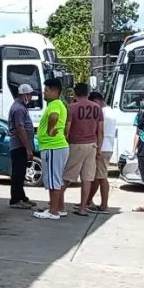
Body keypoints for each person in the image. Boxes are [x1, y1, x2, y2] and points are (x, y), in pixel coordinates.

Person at [62, 83, 104, 217]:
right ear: (87, 92)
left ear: (75, 93)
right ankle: (82, 207)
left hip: (76, 144)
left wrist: (66, 141)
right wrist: (99, 148)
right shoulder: (97, 108)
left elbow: (67, 128)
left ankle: (56, 202)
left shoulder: (71, 107)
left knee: (67, 175)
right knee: (87, 178)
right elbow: (101, 131)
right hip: (92, 144)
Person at [33, 78, 69, 220]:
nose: (44, 92)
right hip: (57, 146)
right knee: (57, 179)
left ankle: (53, 211)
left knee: (53, 180)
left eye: (46, 90)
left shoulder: (54, 104)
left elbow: (53, 117)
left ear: (55, 91)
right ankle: (59, 208)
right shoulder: (59, 104)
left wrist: (50, 128)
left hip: (53, 146)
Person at [81, 91, 117, 213]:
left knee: (102, 177)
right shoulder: (110, 112)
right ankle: (88, 201)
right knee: (97, 176)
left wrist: (98, 148)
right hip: (107, 146)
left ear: (97, 101)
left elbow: (99, 132)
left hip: (102, 147)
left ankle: (104, 205)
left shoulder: (103, 113)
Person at [8, 84, 37, 209]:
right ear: (24, 95)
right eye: (29, 95)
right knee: (18, 173)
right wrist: (28, 148)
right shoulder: (19, 109)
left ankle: (21, 197)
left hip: (20, 145)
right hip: (19, 146)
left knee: (20, 173)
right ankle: (15, 199)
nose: (31, 97)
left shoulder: (21, 107)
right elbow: (20, 129)